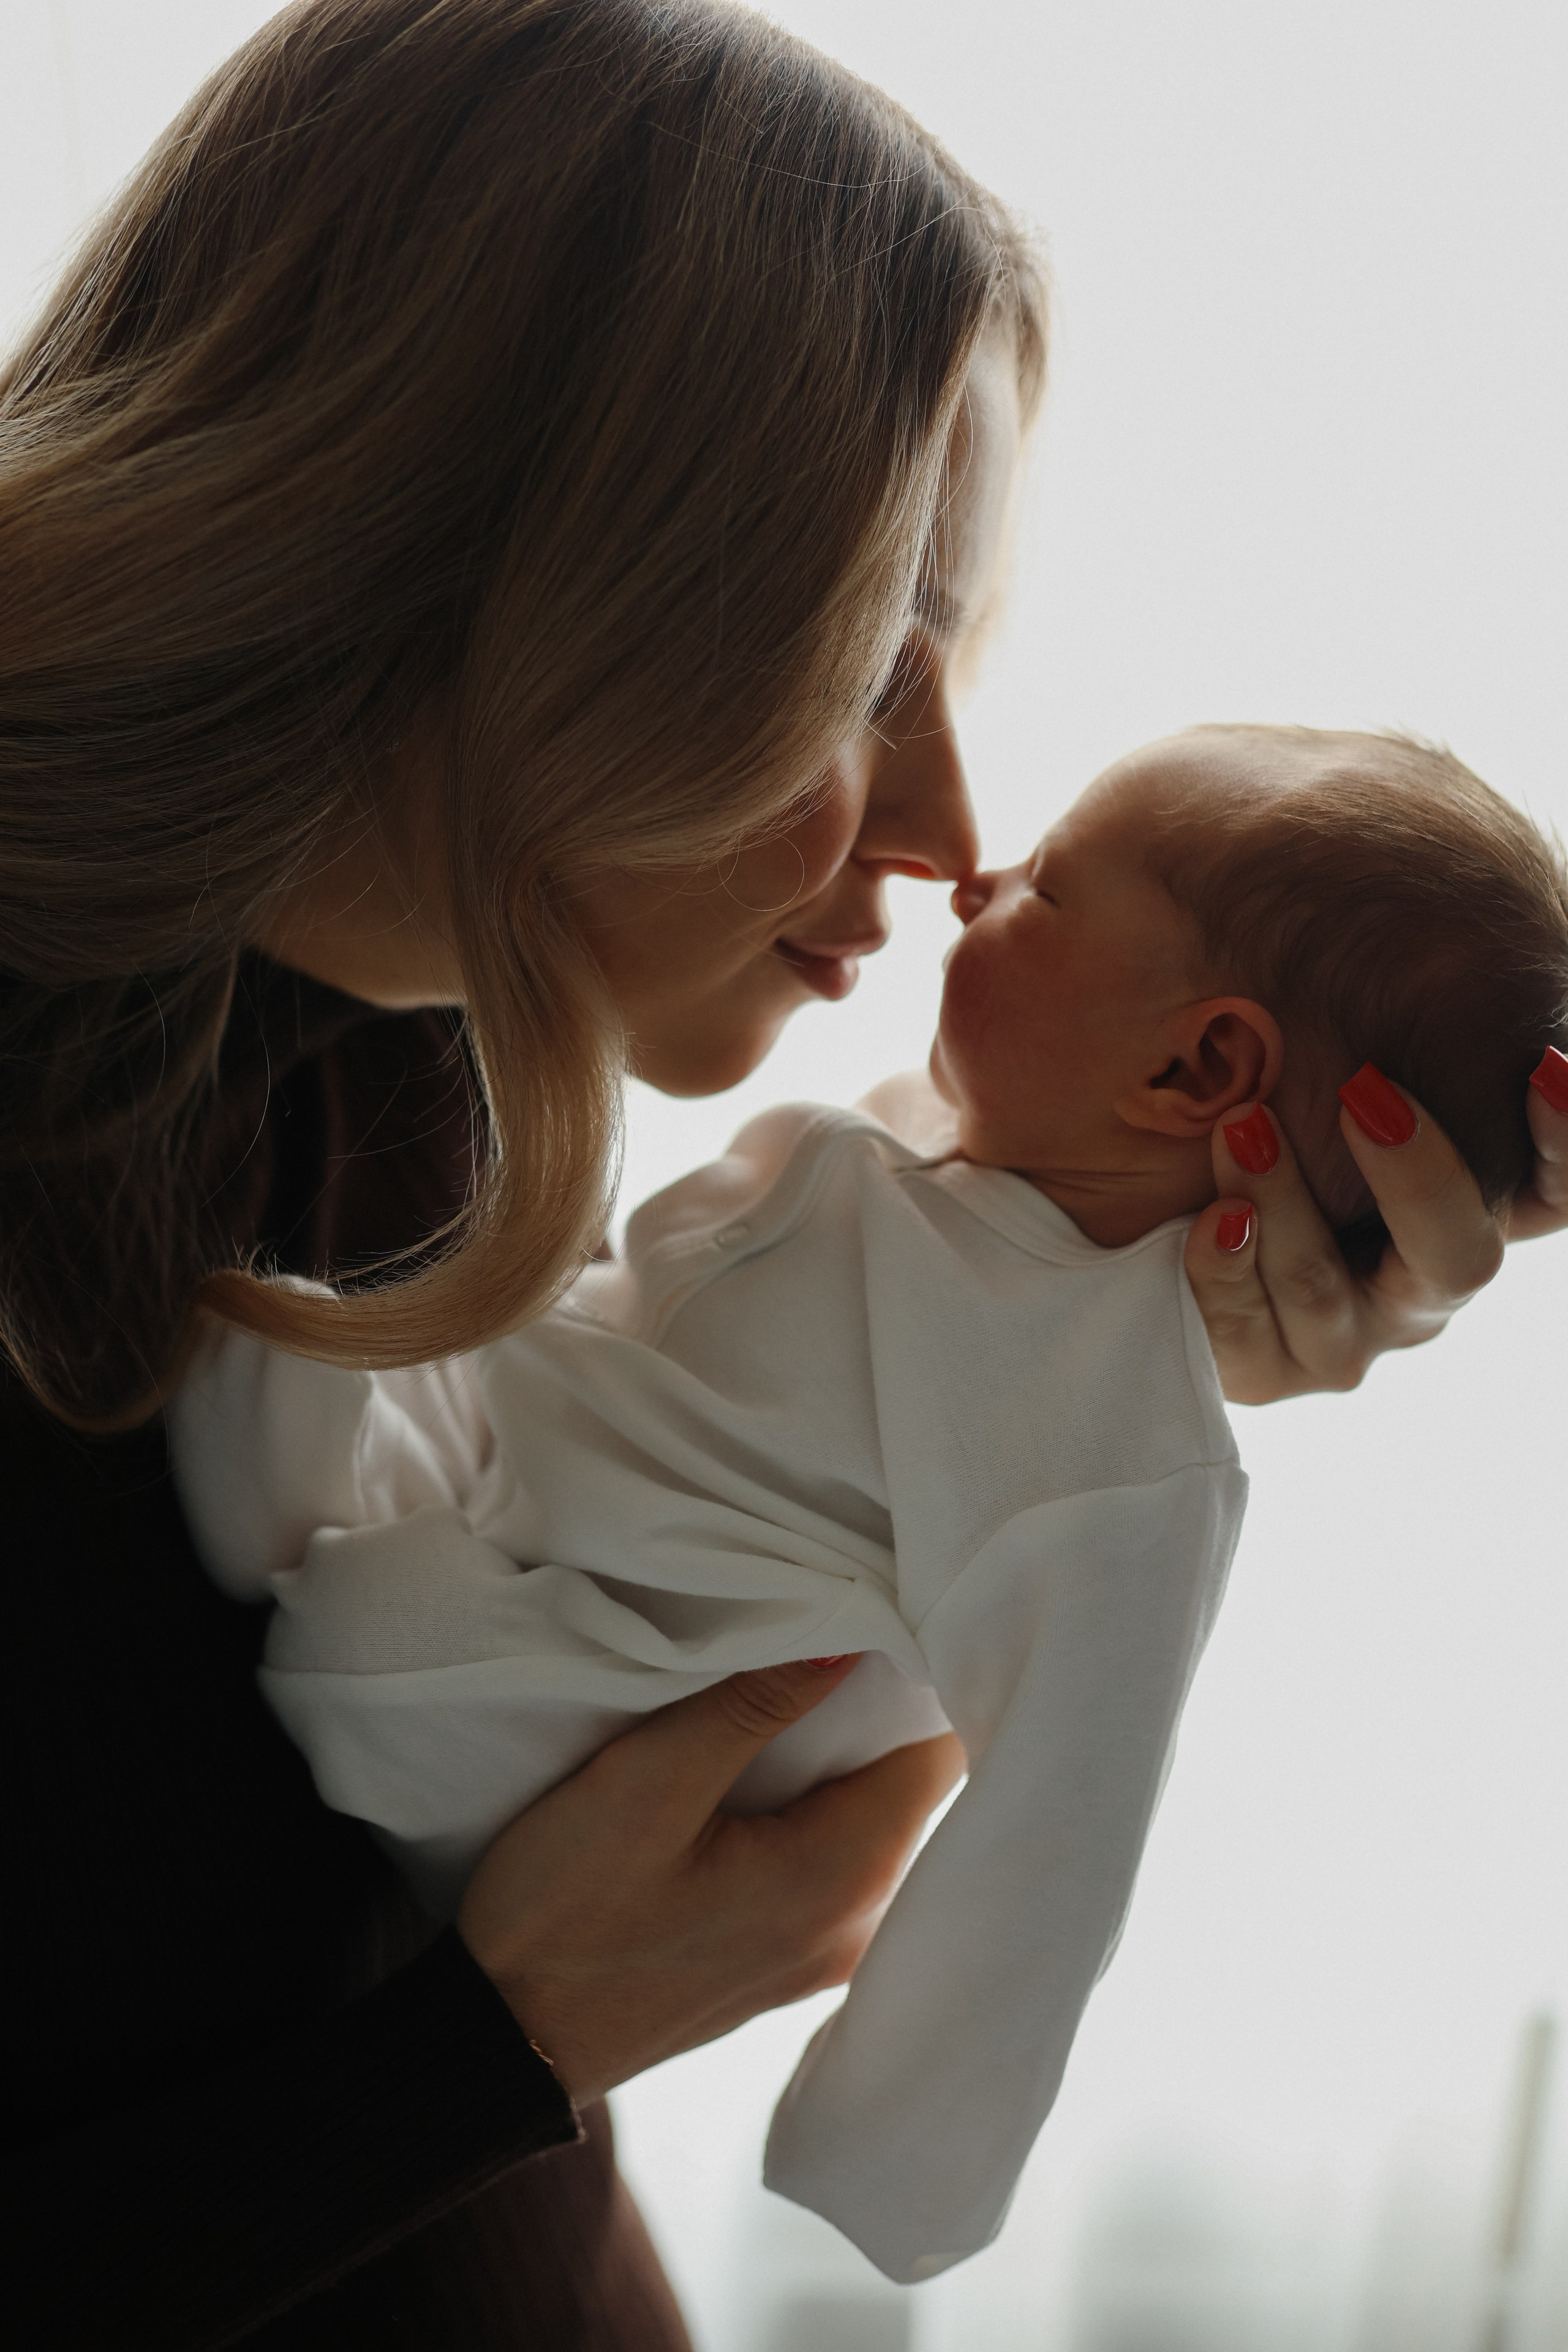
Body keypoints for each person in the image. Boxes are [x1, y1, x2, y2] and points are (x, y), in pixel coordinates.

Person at [0, 1, 1558, 2344]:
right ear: (499, 565)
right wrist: (494, 2052)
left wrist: (1105, 1283)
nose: (945, 840)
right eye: (865, 669)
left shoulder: (416, 1047)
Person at [166, 722, 1568, 2283]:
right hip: (542, 1494)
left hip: (593, 1702)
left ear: (1196, 1066)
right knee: (295, 1353)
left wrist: (900, 2144)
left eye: (1043, 886)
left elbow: (1066, 1817)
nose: (973, 876)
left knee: (366, 1628)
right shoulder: (957, 1177)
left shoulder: (1120, 1458)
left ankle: (329, 1578)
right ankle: (310, 1500)